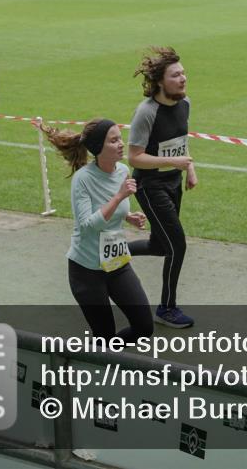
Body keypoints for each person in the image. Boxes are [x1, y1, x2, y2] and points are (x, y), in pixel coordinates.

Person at [43, 118, 153, 342]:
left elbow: (111, 211)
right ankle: (95, 356)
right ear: (98, 148)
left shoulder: (123, 171)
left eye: (120, 138)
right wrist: (119, 196)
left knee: (144, 327)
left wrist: (128, 216)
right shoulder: (82, 179)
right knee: (104, 336)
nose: (121, 144)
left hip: (116, 264)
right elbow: (87, 225)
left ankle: (105, 355)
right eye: (113, 141)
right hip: (87, 271)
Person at [127, 46, 197, 329]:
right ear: (159, 82)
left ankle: (110, 251)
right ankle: (166, 308)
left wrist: (189, 168)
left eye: (183, 73)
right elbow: (134, 157)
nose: (183, 79)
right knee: (176, 245)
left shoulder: (185, 103)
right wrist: (174, 162)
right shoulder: (146, 112)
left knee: (160, 245)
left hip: (173, 182)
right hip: (150, 185)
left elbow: (180, 140)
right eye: (175, 75)